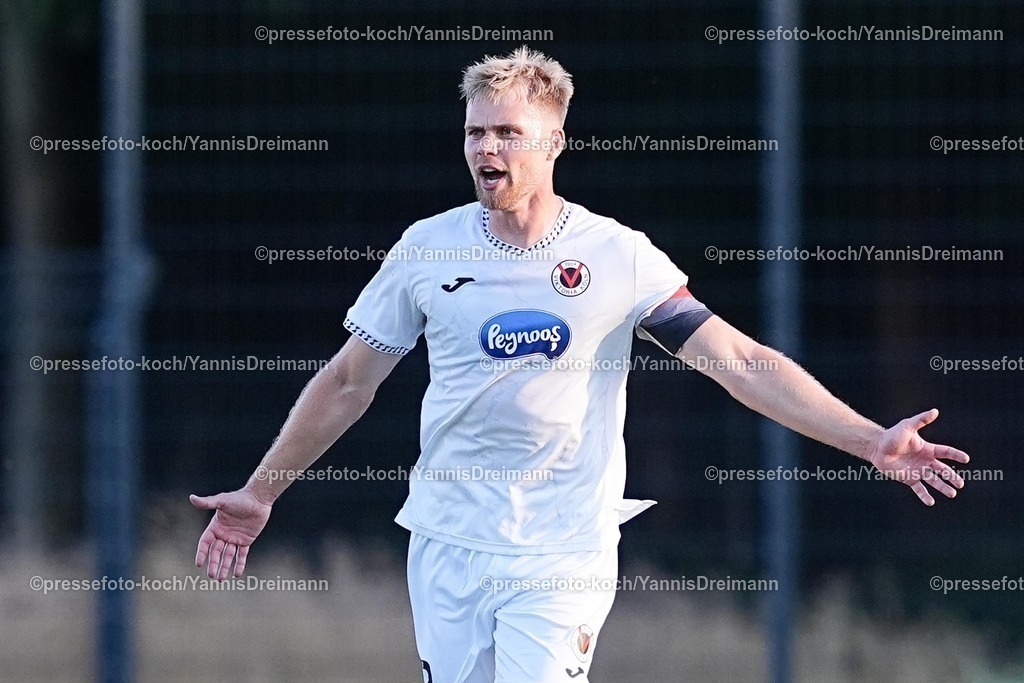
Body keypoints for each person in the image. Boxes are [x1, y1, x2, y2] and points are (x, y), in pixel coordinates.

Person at [191, 46, 970, 683]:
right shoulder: (427, 249)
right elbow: (347, 381)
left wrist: (868, 438)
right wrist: (261, 491)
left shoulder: (616, 256)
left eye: (507, 132)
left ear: (554, 143)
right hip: (448, 540)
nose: (486, 149)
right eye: (474, 133)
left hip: (564, 548)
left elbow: (738, 360)